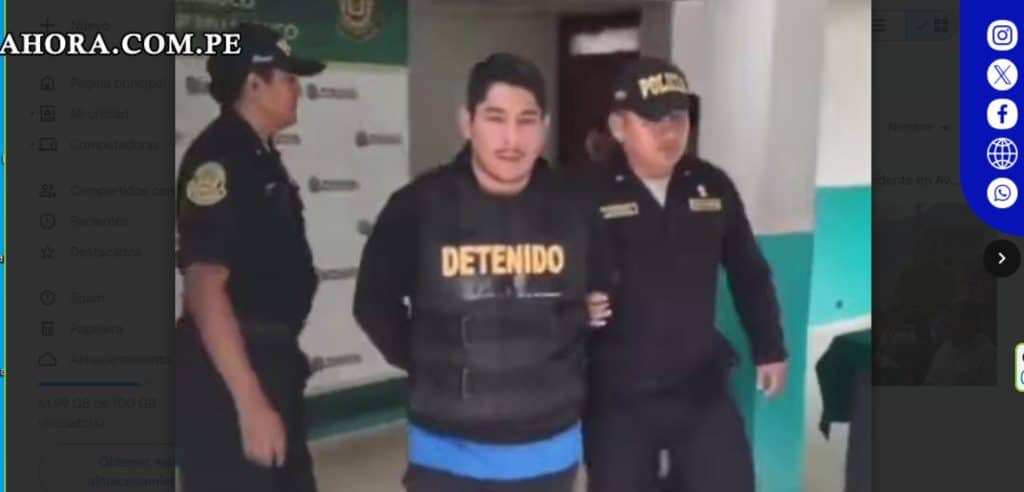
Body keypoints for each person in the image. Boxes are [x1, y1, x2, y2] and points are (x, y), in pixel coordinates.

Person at [353, 52, 611, 492]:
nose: (512, 138)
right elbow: (373, 304)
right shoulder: (419, 206)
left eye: (527, 120)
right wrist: (432, 363)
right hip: (446, 452)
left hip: (549, 450)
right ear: (467, 123)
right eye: (495, 118)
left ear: (545, 126)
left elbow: (602, 296)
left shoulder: (577, 209)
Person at [580, 57, 788, 492]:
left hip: (699, 383)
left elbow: (748, 270)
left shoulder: (711, 185)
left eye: (678, 118)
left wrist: (770, 347)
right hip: (618, 393)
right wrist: (574, 304)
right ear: (619, 127)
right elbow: (552, 277)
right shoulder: (586, 192)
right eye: (652, 121)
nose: (669, 133)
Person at [174, 23, 325, 492]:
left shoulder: (258, 155)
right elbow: (204, 286)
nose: (298, 89)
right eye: (288, 78)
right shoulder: (219, 159)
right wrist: (250, 402)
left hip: (271, 364)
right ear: (254, 84)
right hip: (230, 378)